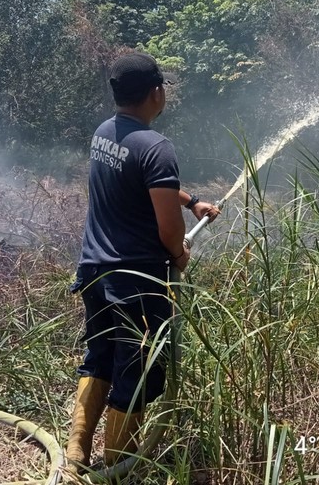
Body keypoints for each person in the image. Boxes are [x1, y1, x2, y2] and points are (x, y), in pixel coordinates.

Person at [65, 52, 220, 477]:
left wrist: (190, 201)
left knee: (99, 357)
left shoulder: (105, 133)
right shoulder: (157, 146)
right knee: (137, 370)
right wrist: (178, 254)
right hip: (137, 281)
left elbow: (141, 180)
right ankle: (117, 467)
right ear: (156, 93)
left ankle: (77, 451)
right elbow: (169, 231)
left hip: (95, 272)